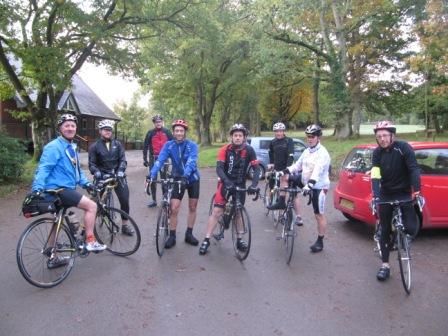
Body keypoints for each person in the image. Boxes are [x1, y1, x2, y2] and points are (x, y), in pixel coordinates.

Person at [31, 114, 106, 268]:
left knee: (57, 222)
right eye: (67, 125)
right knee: (92, 206)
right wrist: (37, 188)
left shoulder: (71, 146)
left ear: (76, 128)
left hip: (64, 188)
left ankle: (52, 255)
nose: (70, 128)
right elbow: (44, 168)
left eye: (73, 125)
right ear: (60, 128)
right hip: (59, 190)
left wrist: (86, 184)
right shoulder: (53, 147)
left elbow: (76, 171)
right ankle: (90, 241)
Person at [371, 121, 421, 281]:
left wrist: (417, 189)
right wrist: (376, 195)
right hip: (386, 194)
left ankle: (403, 237)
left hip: (404, 192)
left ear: (392, 135)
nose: (382, 139)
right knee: (385, 230)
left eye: (385, 135)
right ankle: (385, 265)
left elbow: (413, 168)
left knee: (412, 228)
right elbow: (375, 175)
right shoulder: (377, 153)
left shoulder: (403, 148)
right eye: (379, 136)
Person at [199, 124, 261, 255]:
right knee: (217, 211)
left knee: (238, 212)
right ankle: (206, 239)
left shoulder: (249, 150)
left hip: (240, 185)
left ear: (244, 137)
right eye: (235, 135)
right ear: (231, 137)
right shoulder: (225, 150)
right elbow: (219, 168)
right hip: (225, 184)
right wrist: (226, 182)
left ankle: (239, 239)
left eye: (240, 135)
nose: (238, 138)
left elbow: (256, 169)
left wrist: (254, 185)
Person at [148, 119, 200, 248]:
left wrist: (185, 176)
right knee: (174, 208)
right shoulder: (169, 145)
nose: (179, 133)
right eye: (176, 130)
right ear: (173, 132)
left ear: (185, 132)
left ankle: (189, 234)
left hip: (192, 179)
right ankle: (172, 236)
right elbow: (160, 160)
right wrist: (151, 175)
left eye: (181, 131)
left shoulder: (192, 145)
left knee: (192, 207)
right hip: (177, 178)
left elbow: (191, 162)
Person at [281, 124, 331, 253]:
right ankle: (284, 204)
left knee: (318, 214)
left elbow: (317, 171)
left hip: (318, 186)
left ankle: (320, 241)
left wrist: (310, 185)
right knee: (286, 177)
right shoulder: (307, 151)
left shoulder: (323, 153)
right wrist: (285, 171)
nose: (310, 139)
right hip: (304, 181)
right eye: (308, 136)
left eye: (312, 136)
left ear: (318, 137)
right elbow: (297, 166)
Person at [88, 119, 134, 236]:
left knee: (124, 200)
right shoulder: (94, 146)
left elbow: (123, 160)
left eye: (109, 130)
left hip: (117, 176)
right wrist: (96, 172)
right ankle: (87, 228)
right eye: (105, 130)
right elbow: (92, 164)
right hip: (102, 176)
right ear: (100, 131)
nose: (108, 132)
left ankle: (125, 225)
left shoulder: (118, 144)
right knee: (96, 203)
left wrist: (121, 171)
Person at [266, 122, 299, 222]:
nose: (278, 133)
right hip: (276, 168)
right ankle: (271, 200)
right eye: (276, 131)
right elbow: (270, 153)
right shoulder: (273, 142)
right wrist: (271, 163)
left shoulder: (289, 141)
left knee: (285, 188)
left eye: (280, 131)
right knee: (271, 184)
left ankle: (285, 209)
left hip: (286, 168)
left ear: (283, 131)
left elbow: (291, 156)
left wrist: (287, 169)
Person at [143, 114, 173, 207]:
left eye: (160, 122)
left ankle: (164, 199)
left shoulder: (167, 132)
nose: (158, 123)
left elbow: (173, 145)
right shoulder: (150, 133)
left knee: (164, 179)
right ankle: (154, 200)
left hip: (164, 158)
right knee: (153, 179)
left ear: (162, 122)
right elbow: (145, 146)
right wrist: (144, 158)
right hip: (153, 158)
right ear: (154, 123)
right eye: (156, 122)